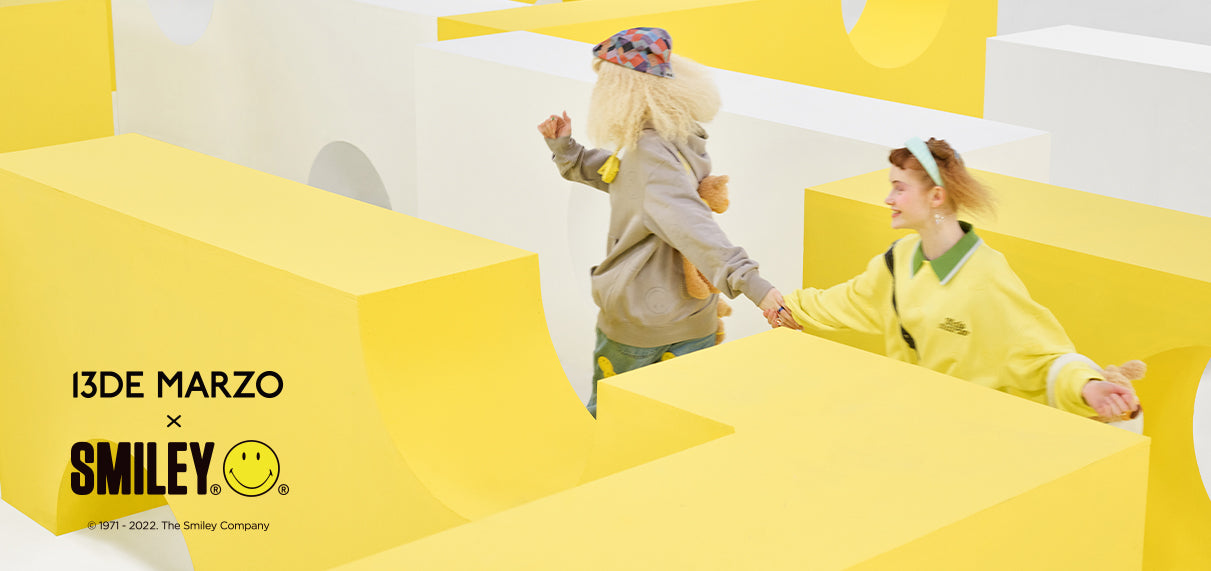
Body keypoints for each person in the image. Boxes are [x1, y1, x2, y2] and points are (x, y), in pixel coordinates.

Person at [767, 137, 1141, 422]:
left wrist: (1088, 387)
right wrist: (784, 307)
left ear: (936, 196)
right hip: (906, 423)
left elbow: (1041, 355)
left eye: (900, 188)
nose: (888, 198)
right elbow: (848, 301)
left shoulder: (987, 276)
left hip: (967, 435)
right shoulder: (900, 258)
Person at [537, 27, 787, 417]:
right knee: (678, 421)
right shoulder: (677, 138)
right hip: (689, 315)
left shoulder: (648, 154)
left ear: (622, 90)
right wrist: (566, 149)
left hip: (645, 323)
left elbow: (692, 227)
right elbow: (620, 177)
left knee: (614, 419)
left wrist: (754, 285)